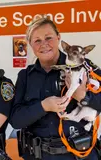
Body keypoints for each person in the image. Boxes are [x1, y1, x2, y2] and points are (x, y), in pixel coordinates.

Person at [10, 16, 101, 160]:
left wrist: (84, 97)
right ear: (30, 44)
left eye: (48, 38)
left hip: (79, 155)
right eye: (37, 40)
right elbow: (15, 120)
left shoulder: (83, 65)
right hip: (38, 155)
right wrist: (43, 106)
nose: (44, 44)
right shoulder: (25, 76)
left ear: (58, 37)